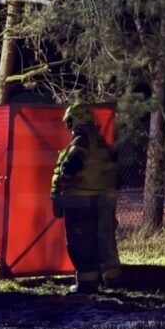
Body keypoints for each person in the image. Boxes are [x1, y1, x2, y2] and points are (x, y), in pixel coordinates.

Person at [51, 101, 121, 295]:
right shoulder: (100, 142)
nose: (68, 126)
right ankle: (107, 277)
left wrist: (60, 189)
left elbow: (70, 166)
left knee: (80, 244)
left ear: (76, 120)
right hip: (100, 201)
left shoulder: (80, 142)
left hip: (79, 201)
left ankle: (86, 286)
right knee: (98, 240)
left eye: (69, 121)